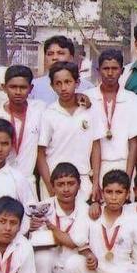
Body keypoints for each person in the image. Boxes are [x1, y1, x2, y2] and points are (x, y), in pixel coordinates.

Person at [36, 61, 103, 204]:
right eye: (58, 83)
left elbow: (96, 147)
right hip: (57, 182)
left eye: (68, 82)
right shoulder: (49, 114)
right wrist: (50, 186)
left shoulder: (90, 110)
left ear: (77, 83)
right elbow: (40, 153)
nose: (63, 88)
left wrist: (96, 182)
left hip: (84, 180)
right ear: (52, 86)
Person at [30, 163, 89, 273]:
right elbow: (35, 242)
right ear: (53, 186)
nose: (66, 189)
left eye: (71, 183)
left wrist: (52, 228)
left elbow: (74, 242)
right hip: (49, 264)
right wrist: (30, 228)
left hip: (70, 265)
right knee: (43, 258)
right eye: (60, 184)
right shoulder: (42, 207)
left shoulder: (85, 209)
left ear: (79, 185)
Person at [0, 65, 45, 195]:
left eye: (23, 87)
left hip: (28, 182)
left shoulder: (40, 109)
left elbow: (61, 106)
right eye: (13, 87)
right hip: (1, 182)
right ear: (4, 88)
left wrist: (80, 97)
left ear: (31, 88)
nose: (18, 92)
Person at [85, 49, 137, 180]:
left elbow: (133, 142)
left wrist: (128, 178)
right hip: (93, 167)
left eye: (115, 68)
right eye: (105, 68)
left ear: (122, 71)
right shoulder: (88, 97)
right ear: (98, 70)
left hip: (123, 164)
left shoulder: (131, 99)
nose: (110, 73)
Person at [29, 36, 93, 104]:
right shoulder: (33, 87)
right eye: (50, 54)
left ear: (71, 58)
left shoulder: (87, 88)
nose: (55, 58)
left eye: (60, 53)